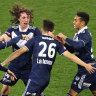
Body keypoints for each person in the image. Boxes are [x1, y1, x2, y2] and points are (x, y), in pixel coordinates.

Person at [1, 19, 96, 96]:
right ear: (53, 31)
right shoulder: (56, 43)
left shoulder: (35, 40)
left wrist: (4, 63)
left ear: (42, 29)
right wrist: (85, 65)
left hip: (35, 78)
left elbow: (18, 52)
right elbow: (71, 56)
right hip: (46, 79)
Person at [0, 3, 42, 96]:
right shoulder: (12, 29)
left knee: (36, 92)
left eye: (28, 17)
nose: (26, 19)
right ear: (19, 19)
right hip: (13, 66)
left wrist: (31, 40)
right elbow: (5, 36)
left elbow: (41, 44)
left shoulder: (34, 31)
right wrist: (2, 37)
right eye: (23, 17)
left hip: (28, 67)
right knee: (4, 91)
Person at [57, 12, 96, 96]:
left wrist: (65, 37)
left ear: (82, 23)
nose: (73, 22)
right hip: (90, 68)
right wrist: (63, 42)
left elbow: (77, 45)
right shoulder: (78, 34)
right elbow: (73, 49)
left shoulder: (85, 34)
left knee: (71, 94)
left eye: (75, 20)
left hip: (87, 69)